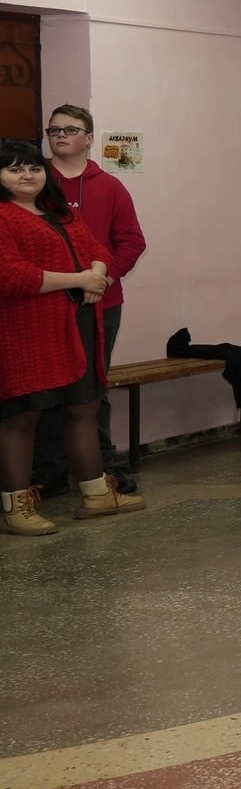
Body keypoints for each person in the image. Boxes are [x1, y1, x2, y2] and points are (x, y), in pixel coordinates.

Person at [1, 139, 143, 534]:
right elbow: (11, 275)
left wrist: (96, 274)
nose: (27, 175)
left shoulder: (58, 210)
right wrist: (80, 280)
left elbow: (97, 248)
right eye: (14, 169)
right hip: (27, 331)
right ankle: (16, 509)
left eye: (33, 167)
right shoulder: (4, 216)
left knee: (84, 407)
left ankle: (97, 495)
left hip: (78, 324)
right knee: (22, 416)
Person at [33, 105, 143, 493]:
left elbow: (131, 241)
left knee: (93, 388)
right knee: (46, 390)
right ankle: (48, 473)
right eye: (54, 130)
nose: (60, 136)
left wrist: (103, 279)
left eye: (70, 129)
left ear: (90, 138)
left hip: (100, 303)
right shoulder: (33, 181)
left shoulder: (109, 186)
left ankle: (102, 468)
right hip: (45, 304)